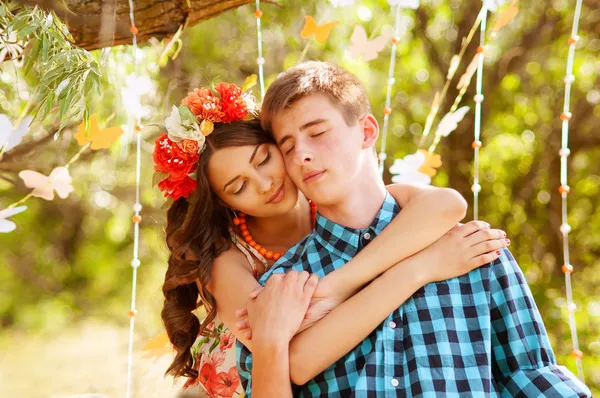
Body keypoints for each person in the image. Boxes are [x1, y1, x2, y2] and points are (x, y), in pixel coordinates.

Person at [235, 61, 592, 397]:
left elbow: (527, 375)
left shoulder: (471, 249)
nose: (302, 156)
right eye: (288, 146)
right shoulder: (280, 292)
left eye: (317, 133)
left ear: (366, 131)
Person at [156, 82, 508, 397]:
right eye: (240, 186)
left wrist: (336, 286)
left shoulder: (331, 204)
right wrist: (420, 268)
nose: (265, 184)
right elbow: (283, 348)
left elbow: (448, 204)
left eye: (264, 160)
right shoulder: (226, 259)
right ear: (224, 202)